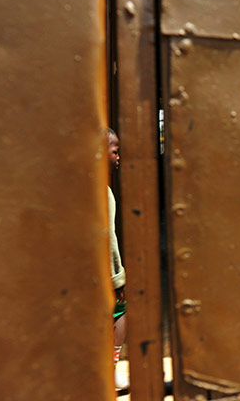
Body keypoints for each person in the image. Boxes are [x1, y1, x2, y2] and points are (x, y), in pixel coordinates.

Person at [107, 128, 128, 390]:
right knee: (120, 311)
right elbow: (109, 239)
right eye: (115, 152)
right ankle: (110, 369)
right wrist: (118, 278)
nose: (119, 157)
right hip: (106, 274)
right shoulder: (105, 192)